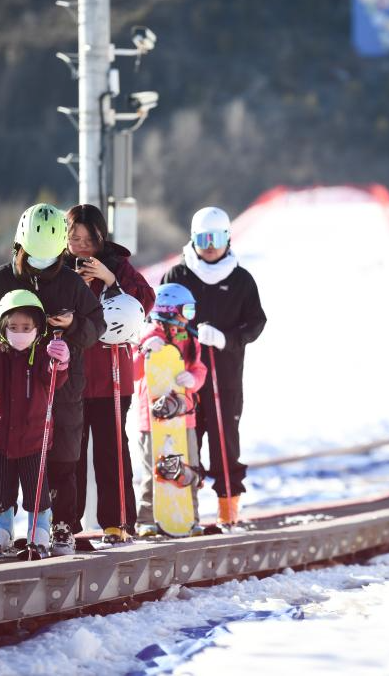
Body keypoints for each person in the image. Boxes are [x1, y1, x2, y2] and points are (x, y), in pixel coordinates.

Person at [0, 203, 105, 556]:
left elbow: (97, 324)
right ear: (19, 245)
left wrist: (72, 326)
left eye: (48, 256)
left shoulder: (71, 283)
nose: (39, 262)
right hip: (9, 386)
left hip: (62, 384)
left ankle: (60, 526)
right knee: (5, 455)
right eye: (32, 255)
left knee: (61, 456)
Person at [161, 207, 267, 526]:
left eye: (216, 238)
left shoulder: (240, 279)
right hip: (185, 376)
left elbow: (256, 322)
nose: (209, 246)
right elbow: (161, 317)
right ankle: (183, 507)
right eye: (202, 238)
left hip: (225, 375)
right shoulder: (178, 275)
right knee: (184, 440)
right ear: (192, 239)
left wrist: (226, 339)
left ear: (228, 239)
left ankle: (227, 507)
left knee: (224, 440)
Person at [0, 290, 71, 559]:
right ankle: (1, 530)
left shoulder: (43, 354)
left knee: (36, 488)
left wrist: (61, 361)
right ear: (2, 327)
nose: (19, 332)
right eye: (13, 327)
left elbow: (54, 376)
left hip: (33, 436)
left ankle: (39, 530)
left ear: (38, 328)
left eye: (26, 327)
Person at [65, 204, 156, 543]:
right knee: (69, 453)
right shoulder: (57, 267)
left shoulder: (118, 263)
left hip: (111, 375)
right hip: (69, 376)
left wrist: (110, 279)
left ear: (101, 237)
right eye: (75, 238)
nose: (82, 246)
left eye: (89, 239)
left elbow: (147, 300)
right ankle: (65, 524)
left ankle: (117, 522)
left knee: (112, 450)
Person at [134, 283, 208, 536]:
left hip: (183, 419)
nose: (189, 317)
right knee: (152, 469)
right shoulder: (147, 334)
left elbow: (200, 369)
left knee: (188, 467)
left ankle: (190, 518)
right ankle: (146, 520)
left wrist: (193, 379)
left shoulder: (188, 337)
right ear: (168, 310)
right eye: (186, 311)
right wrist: (144, 351)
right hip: (152, 419)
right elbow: (132, 371)